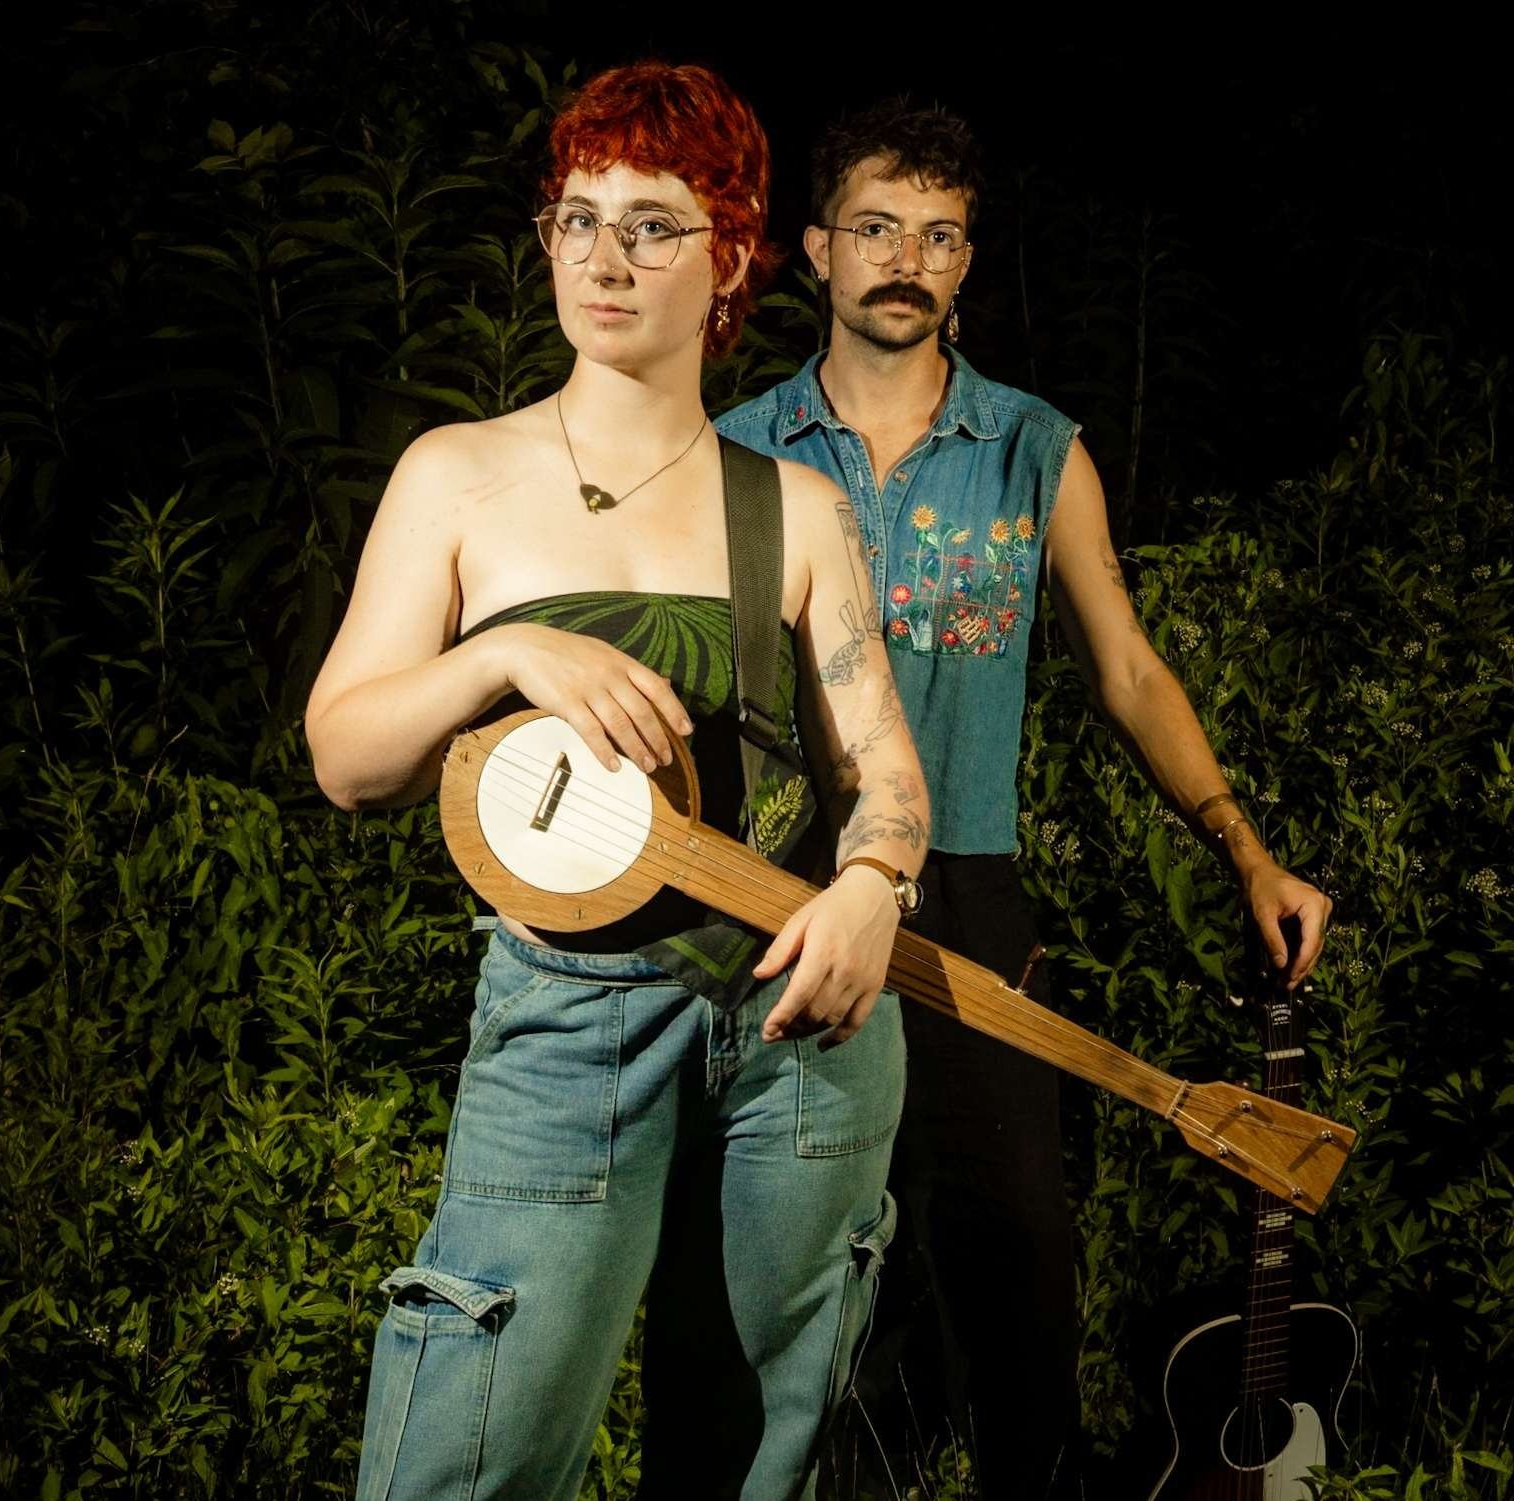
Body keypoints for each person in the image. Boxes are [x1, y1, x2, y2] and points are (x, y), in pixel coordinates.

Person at [306, 63, 930, 1501]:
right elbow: (346, 756)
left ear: (734, 257)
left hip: (802, 1013)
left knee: (779, 1444)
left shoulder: (795, 507)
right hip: (566, 1017)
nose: (601, 255)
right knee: (474, 1431)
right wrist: (506, 653)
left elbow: (882, 762)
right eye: (575, 217)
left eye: (652, 224)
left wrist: (871, 886)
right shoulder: (459, 475)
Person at [715, 103, 1332, 1498]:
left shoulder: (1033, 449)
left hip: (968, 895)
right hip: (781, 890)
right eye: (876, 227)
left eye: (939, 236)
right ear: (817, 248)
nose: (906, 259)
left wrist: (1246, 852)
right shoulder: (737, 449)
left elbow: (1126, 667)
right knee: (794, 1265)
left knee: (1015, 1257)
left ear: (967, 264)